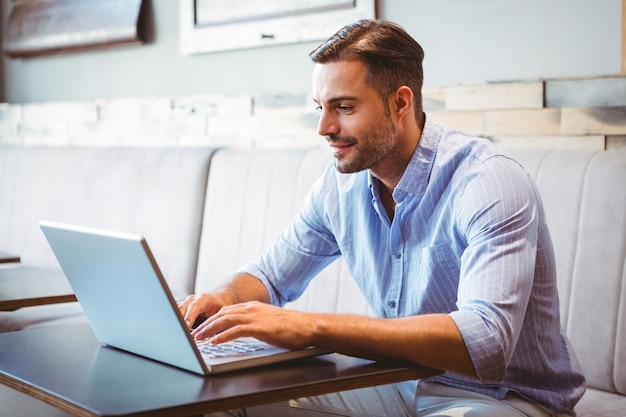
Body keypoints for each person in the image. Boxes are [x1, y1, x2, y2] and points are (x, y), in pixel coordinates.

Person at [178, 19, 586, 417]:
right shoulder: (340, 186)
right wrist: (223, 299)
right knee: (221, 399)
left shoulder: (488, 180)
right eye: (320, 108)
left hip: (501, 398)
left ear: (401, 102)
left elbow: (486, 342)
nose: (324, 127)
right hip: (395, 384)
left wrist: (310, 327)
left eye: (344, 107)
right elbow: (270, 275)